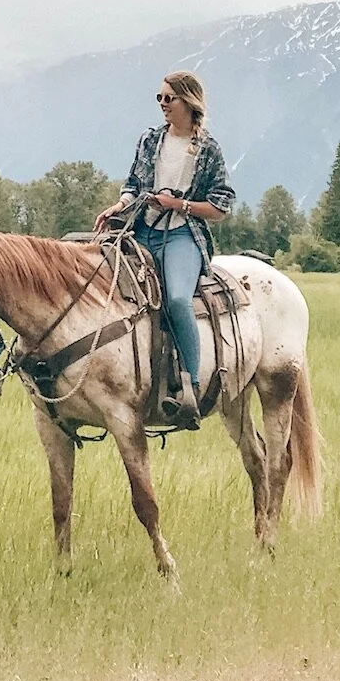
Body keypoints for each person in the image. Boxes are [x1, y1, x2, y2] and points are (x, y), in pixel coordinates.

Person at [92, 70, 236, 427]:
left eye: (168, 99)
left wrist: (180, 206)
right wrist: (120, 206)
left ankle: (192, 387)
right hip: (141, 230)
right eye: (159, 98)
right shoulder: (149, 140)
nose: (162, 105)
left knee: (175, 301)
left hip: (184, 235)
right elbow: (133, 183)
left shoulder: (208, 150)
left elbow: (221, 206)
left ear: (188, 102)